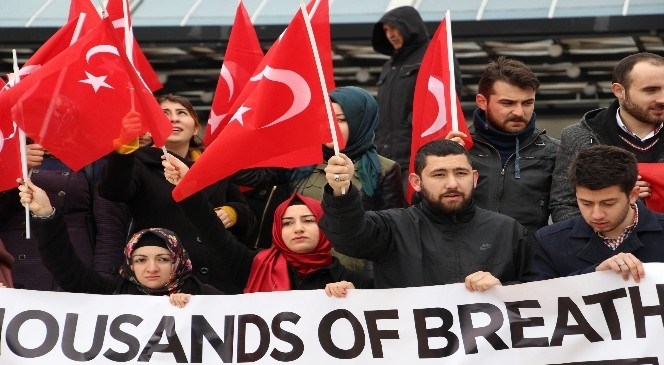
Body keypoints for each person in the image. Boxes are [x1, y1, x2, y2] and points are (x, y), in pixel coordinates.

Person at [319, 139, 532, 291]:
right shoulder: (393, 227)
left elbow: (540, 292)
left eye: (461, 173)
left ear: (475, 178)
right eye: (439, 175)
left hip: (486, 352)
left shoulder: (508, 230)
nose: (452, 184)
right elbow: (349, 236)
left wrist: (503, 290)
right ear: (416, 182)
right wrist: (340, 192)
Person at [99, 94, 255, 292]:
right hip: (164, 283)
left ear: (196, 127)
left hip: (218, 281)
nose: (173, 119)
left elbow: (248, 217)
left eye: (181, 113)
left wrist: (234, 213)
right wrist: (124, 148)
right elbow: (113, 190)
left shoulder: (214, 167)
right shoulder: (138, 163)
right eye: (164, 114)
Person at [233, 87, 405, 262]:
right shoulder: (300, 158)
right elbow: (249, 176)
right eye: (325, 119)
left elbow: (392, 230)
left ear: (361, 122)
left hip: (351, 274)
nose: (331, 127)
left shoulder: (384, 169)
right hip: (298, 270)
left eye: (341, 120)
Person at [164, 158, 372, 296]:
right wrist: (189, 187)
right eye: (287, 223)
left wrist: (354, 298)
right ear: (277, 232)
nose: (298, 228)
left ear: (325, 227)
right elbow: (211, 230)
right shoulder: (251, 265)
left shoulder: (351, 281)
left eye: (309, 221)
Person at [17, 179, 221, 306]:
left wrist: (197, 308)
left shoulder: (205, 295)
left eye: (163, 259)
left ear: (178, 261)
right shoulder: (113, 290)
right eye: (141, 260)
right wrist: (46, 216)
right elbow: (66, 269)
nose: (152, 268)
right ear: (130, 264)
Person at [448, 57, 559, 237]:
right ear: (482, 101)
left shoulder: (553, 152)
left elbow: (567, 214)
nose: (519, 112)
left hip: (529, 259)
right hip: (465, 258)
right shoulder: (458, 149)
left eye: (527, 103)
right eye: (507, 103)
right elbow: (424, 206)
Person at [550, 52, 664, 222]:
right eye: (650, 90)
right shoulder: (577, 136)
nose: (662, 99)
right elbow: (563, 204)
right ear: (619, 91)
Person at [0, 143, 129, 290]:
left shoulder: (93, 162)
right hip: (9, 275)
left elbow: (109, 229)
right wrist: (8, 168)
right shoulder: (5, 156)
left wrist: (102, 285)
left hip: (69, 275)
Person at [529, 146, 664, 282]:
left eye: (608, 203)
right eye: (586, 203)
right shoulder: (550, 241)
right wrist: (595, 275)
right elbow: (539, 298)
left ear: (633, 195)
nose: (596, 215)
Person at [371, 6, 430, 189]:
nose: (390, 35)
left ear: (409, 26)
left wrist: (412, 124)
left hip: (416, 158)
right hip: (384, 160)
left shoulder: (433, 55)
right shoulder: (389, 66)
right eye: (386, 30)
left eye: (394, 28)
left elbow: (443, 103)